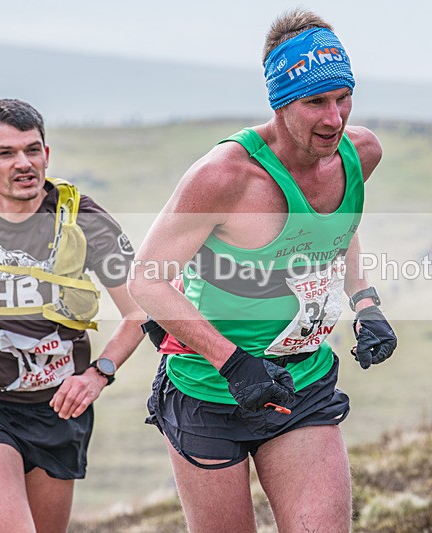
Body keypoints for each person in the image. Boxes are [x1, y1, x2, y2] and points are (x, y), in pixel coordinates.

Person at [128, 8, 397, 532]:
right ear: (278, 102)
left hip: (301, 380)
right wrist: (233, 363)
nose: (334, 119)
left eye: (344, 97)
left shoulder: (359, 153)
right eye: (315, 101)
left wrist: (366, 302)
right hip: (208, 389)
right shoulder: (225, 176)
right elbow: (147, 279)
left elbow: (336, 227)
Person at [0, 98, 145, 532]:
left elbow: (140, 311)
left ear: (47, 155)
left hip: (57, 407)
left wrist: (98, 374)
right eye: (6, 153)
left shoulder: (82, 219)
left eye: (32, 150)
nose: (24, 163)